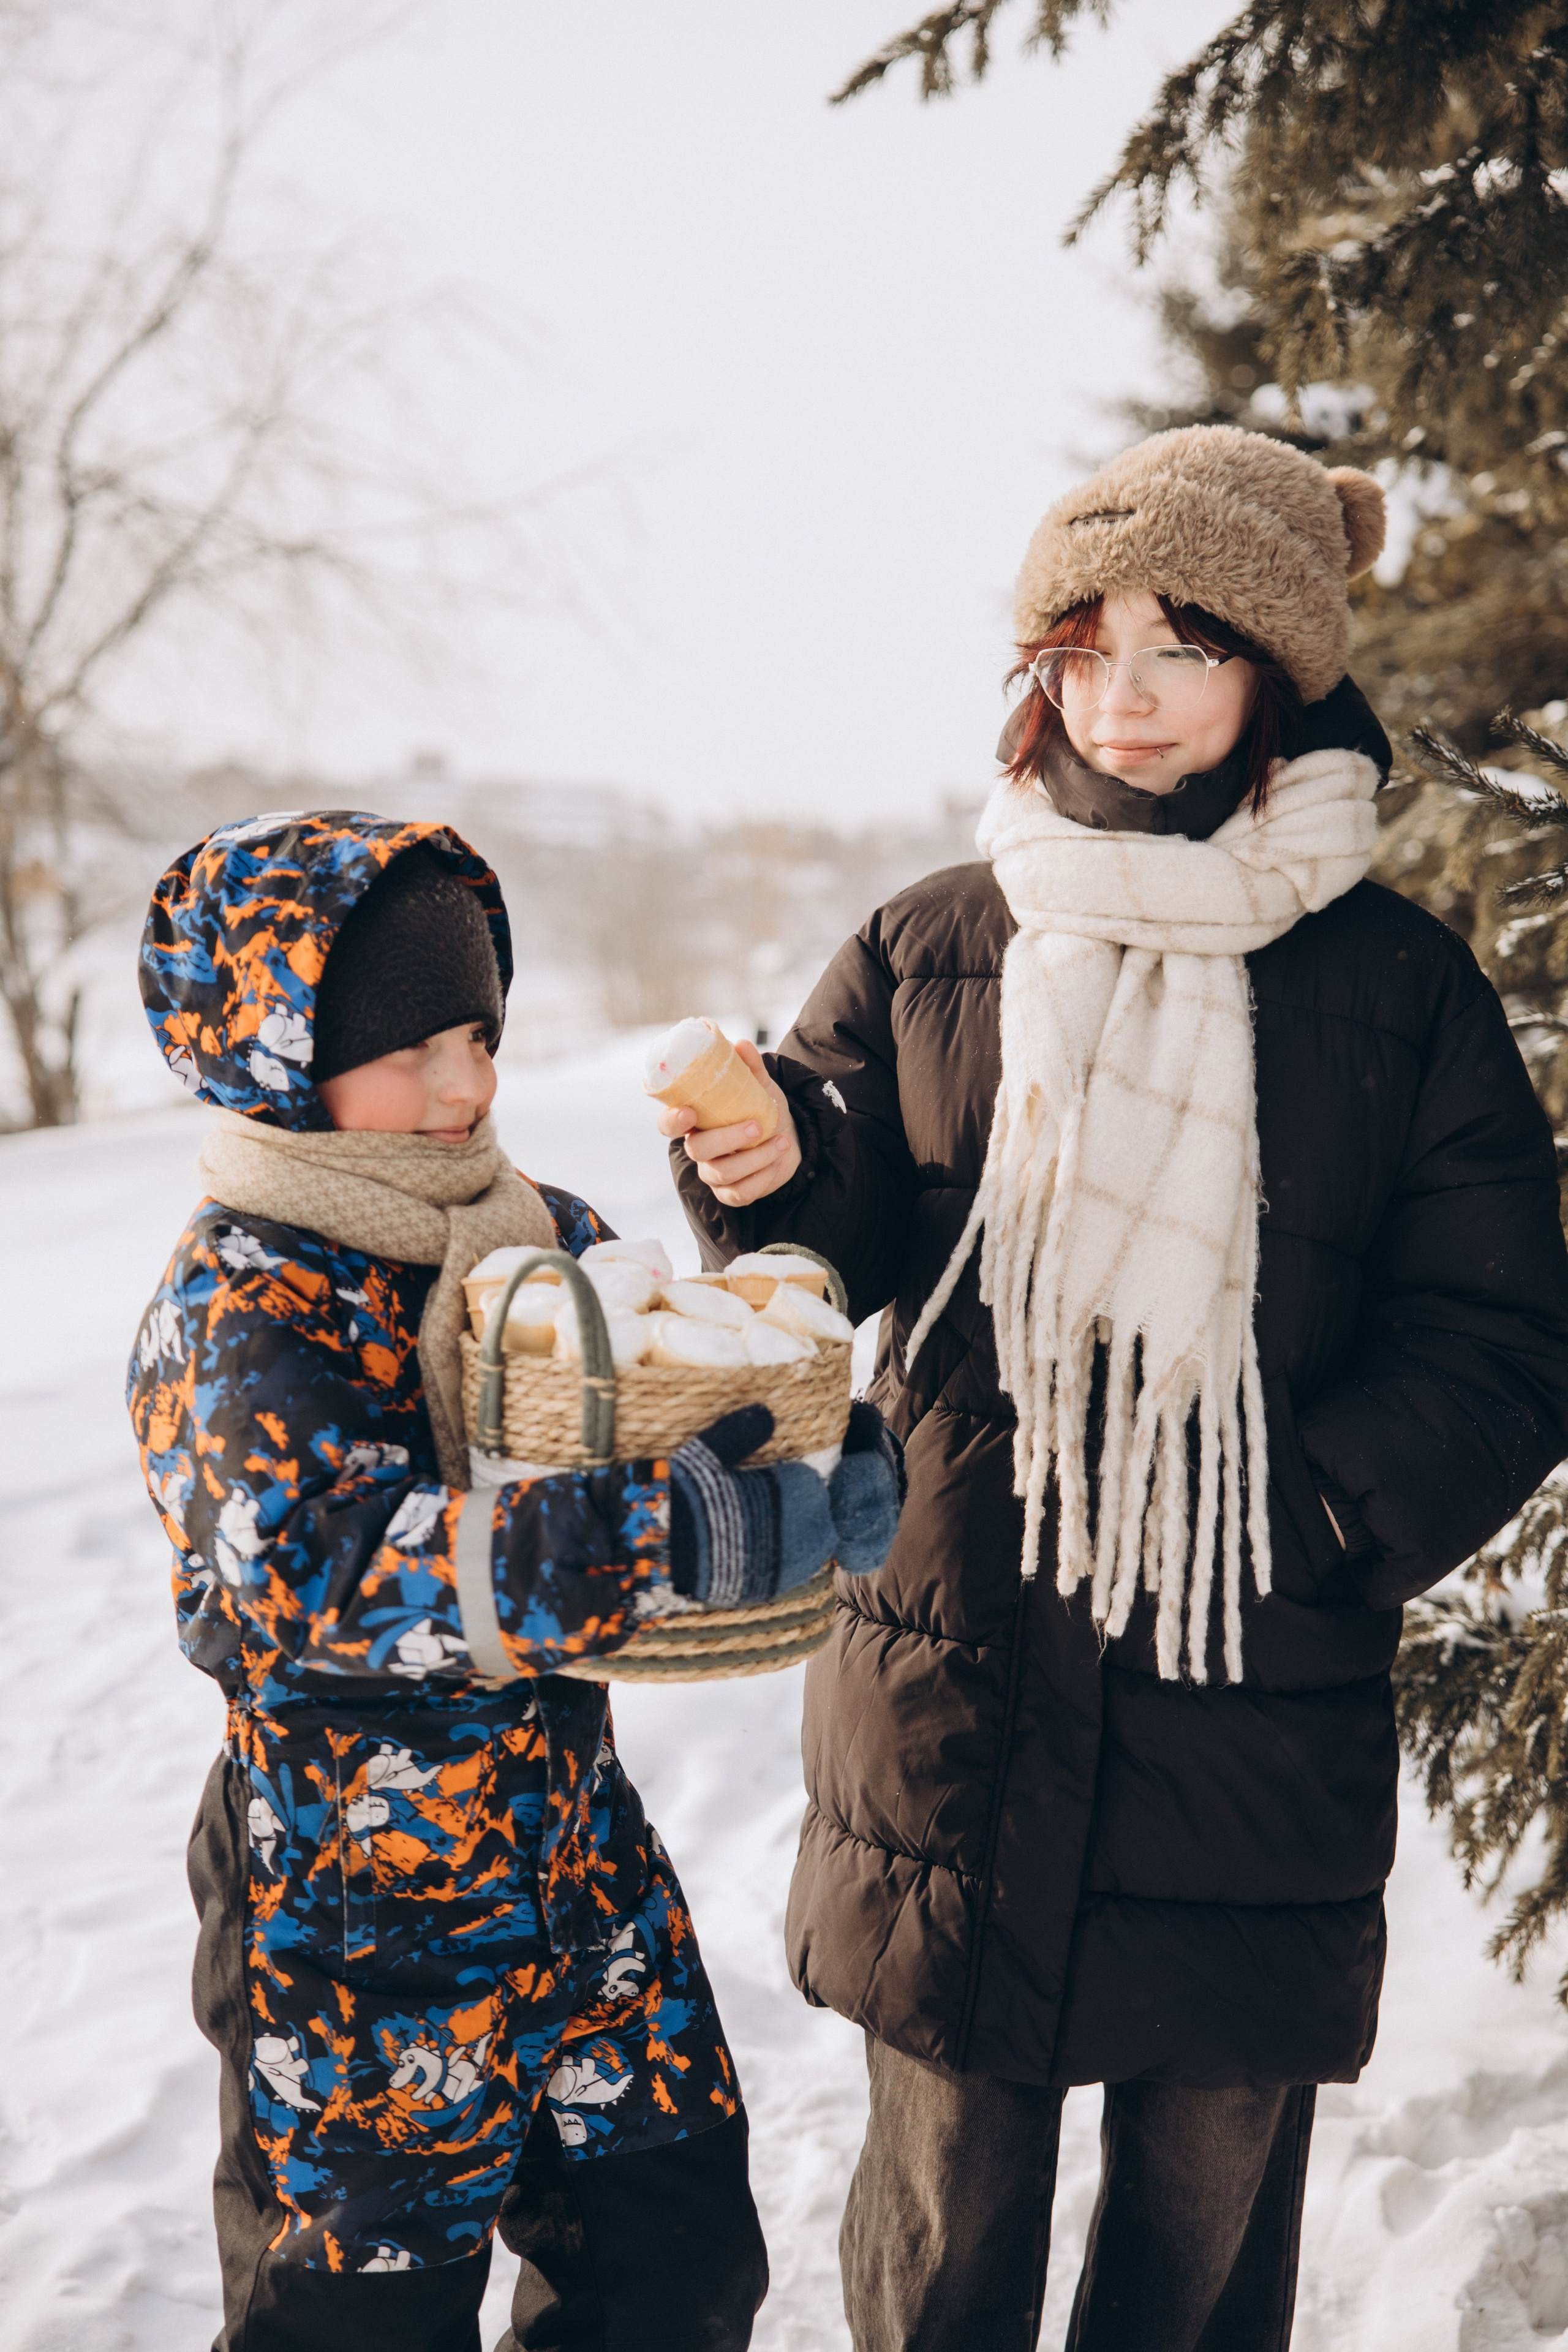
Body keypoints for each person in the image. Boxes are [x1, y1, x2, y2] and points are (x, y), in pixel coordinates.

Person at [655, 424, 1568, 2352]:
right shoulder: (933, 944)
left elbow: (1501, 1337)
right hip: (960, 1690)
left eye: (1180, 646)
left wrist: (1317, 1512)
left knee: (1196, 2268)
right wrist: (768, 1170)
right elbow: (843, 1234)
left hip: (1254, 1697)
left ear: (1281, 669)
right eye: (1081, 651)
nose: (1124, 698)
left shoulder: (1399, 990)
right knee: (940, 2263)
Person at [128, 809, 901, 2352]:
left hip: (573, 1857)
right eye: (410, 1050)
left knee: (672, 2271)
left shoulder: (529, 1232)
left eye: (477, 1033)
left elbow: (675, 1385)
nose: (467, 1087)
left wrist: (808, 1450)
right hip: (353, 1918)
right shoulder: (241, 1293)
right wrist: (659, 1537)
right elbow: (317, 1572)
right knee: (357, 2331)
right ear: (277, 1049)